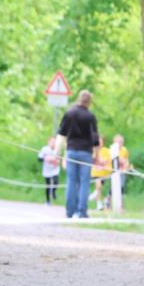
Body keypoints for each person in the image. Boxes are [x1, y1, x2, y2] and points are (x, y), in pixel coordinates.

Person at [56, 90, 99, 219]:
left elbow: (62, 134)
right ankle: (82, 211)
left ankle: (70, 210)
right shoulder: (90, 116)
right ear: (89, 102)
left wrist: (58, 152)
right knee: (84, 182)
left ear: (78, 99)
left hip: (72, 150)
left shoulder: (69, 113)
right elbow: (95, 137)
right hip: (86, 151)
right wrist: (96, 154)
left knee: (71, 181)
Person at [37, 137, 62, 205]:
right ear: (48, 142)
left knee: (56, 182)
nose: (53, 143)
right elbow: (39, 158)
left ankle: (53, 191)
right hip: (47, 170)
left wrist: (56, 162)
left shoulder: (57, 150)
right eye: (52, 142)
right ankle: (48, 201)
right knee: (47, 185)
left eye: (54, 142)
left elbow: (60, 159)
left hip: (55, 169)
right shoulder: (44, 149)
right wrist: (46, 159)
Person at [89, 136, 111, 212]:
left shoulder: (107, 151)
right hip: (95, 172)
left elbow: (108, 161)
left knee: (99, 188)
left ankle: (94, 195)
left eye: (101, 141)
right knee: (98, 186)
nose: (99, 143)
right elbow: (91, 159)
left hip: (103, 173)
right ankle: (99, 203)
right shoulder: (93, 150)